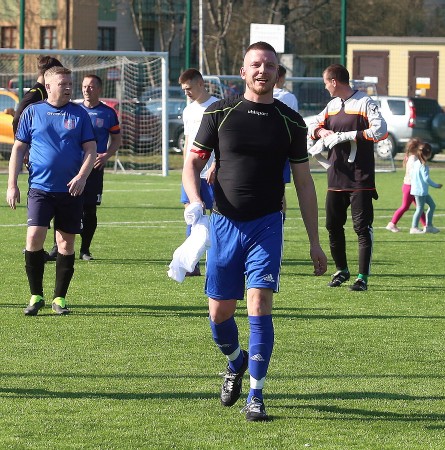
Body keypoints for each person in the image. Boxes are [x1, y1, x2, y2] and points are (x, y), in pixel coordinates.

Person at [182, 41, 327, 421]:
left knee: (259, 304)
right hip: (224, 223)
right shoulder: (220, 112)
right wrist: (194, 202)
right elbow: (192, 164)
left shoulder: (290, 121)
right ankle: (236, 361)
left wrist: (315, 242)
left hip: (267, 224)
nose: (263, 70)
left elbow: (304, 183)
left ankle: (256, 396)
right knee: (219, 314)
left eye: (270, 65)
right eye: (256, 65)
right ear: (243, 71)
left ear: (278, 74)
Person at [6, 66, 97, 316]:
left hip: (71, 190)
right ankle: (36, 296)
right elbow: (18, 149)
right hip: (40, 188)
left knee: (65, 243)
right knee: (34, 238)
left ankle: (60, 299)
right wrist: (12, 184)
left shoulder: (79, 114)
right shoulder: (33, 112)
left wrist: (81, 177)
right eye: (62, 84)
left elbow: (91, 149)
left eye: (69, 84)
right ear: (48, 86)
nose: (68, 88)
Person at [308, 64, 387, 291]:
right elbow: (312, 124)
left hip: (360, 177)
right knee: (332, 225)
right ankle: (341, 270)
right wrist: (321, 131)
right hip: (336, 176)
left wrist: (347, 136)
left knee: (361, 227)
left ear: (334, 81)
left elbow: (381, 130)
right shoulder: (332, 106)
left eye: (326, 83)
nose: (325, 87)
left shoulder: (365, 102)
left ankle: (362, 278)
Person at [13, 55, 64, 262]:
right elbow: (18, 119)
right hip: (39, 158)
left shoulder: (44, 94)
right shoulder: (36, 94)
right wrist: (25, 148)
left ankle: (49, 246)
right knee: (44, 196)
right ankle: (35, 248)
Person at [178, 68, 219, 276]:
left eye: (189, 88)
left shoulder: (217, 107)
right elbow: (188, 142)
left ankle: (217, 263)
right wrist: (185, 169)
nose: (187, 93)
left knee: (218, 216)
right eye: (184, 90)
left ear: (201, 84)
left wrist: (215, 165)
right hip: (192, 173)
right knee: (192, 213)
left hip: (212, 172)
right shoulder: (188, 111)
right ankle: (191, 264)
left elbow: (223, 141)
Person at [77, 74, 122, 260]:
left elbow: (117, 139)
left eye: (91, 86)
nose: (87, 90)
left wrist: (107, 155)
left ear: (99, 89)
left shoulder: (108, 113)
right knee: (65, 207)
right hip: (72, 167)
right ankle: (58, 247)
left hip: (94, 169)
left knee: (90, 210)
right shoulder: (74, 110)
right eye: (84, 86)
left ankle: (84, 250)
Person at [273, 64, 299, 220]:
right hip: (282, 149)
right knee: (279, 190)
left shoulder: (258, 95)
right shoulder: (289, 97)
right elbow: (295, 124)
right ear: (282, 78)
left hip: (259, 150)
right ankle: (279, 224)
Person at [386, 138, 426, 232]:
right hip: (410, 186)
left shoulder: (414, 158)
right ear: (415, 148)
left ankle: (426, 225)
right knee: (405, 206)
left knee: (419, 207)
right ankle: (392, 224)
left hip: (411, 186)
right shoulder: (413, 159)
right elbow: (413, 174)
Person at [410, 142, 442, 234]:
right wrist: (436, 185)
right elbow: (426, 179)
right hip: (420, 191)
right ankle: (414, 227)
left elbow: (412, 174)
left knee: (432, 205)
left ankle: (429, 226)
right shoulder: (423, 165)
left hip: (420, 190)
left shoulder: (416, 163)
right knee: (420, 209)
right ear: (428, 153)